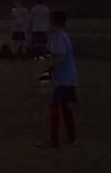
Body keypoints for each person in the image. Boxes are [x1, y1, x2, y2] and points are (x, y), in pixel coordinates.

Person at [38, 11, 77, 148]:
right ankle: (71, 138)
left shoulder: (59, 37)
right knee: (66, 108)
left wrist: (50, 68)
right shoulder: (63, 36)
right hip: (69, 77)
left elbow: (60, 56)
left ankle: (54, 139)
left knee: (55, 108)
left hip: (63, 79)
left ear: (54, 22)